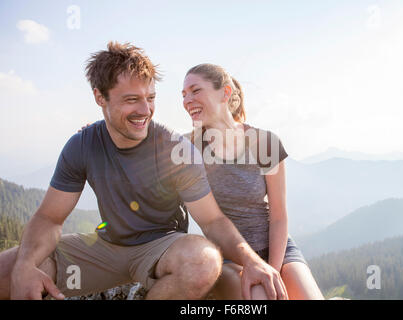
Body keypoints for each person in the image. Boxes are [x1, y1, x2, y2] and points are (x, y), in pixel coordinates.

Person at [0, 42, 287, 300]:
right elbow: (50, 218)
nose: (145, 110)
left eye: (150, 98)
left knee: (203, 261)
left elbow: (212, 222)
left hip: (163, 248)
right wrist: (25, 266)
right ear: (100, 98)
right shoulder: (82, 145)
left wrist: (252, 262)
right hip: (105, 245)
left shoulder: (176, 148)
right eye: (131, 100)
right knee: (9, 270)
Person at [181, 63, 324, 299]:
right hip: (229, 257)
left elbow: (278, 216)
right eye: (184, 94)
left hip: (278, 249)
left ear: (225, 93)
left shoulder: (266, 142)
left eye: (195, 91)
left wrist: (273, 271)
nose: (187, 100)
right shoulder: (190, 148)